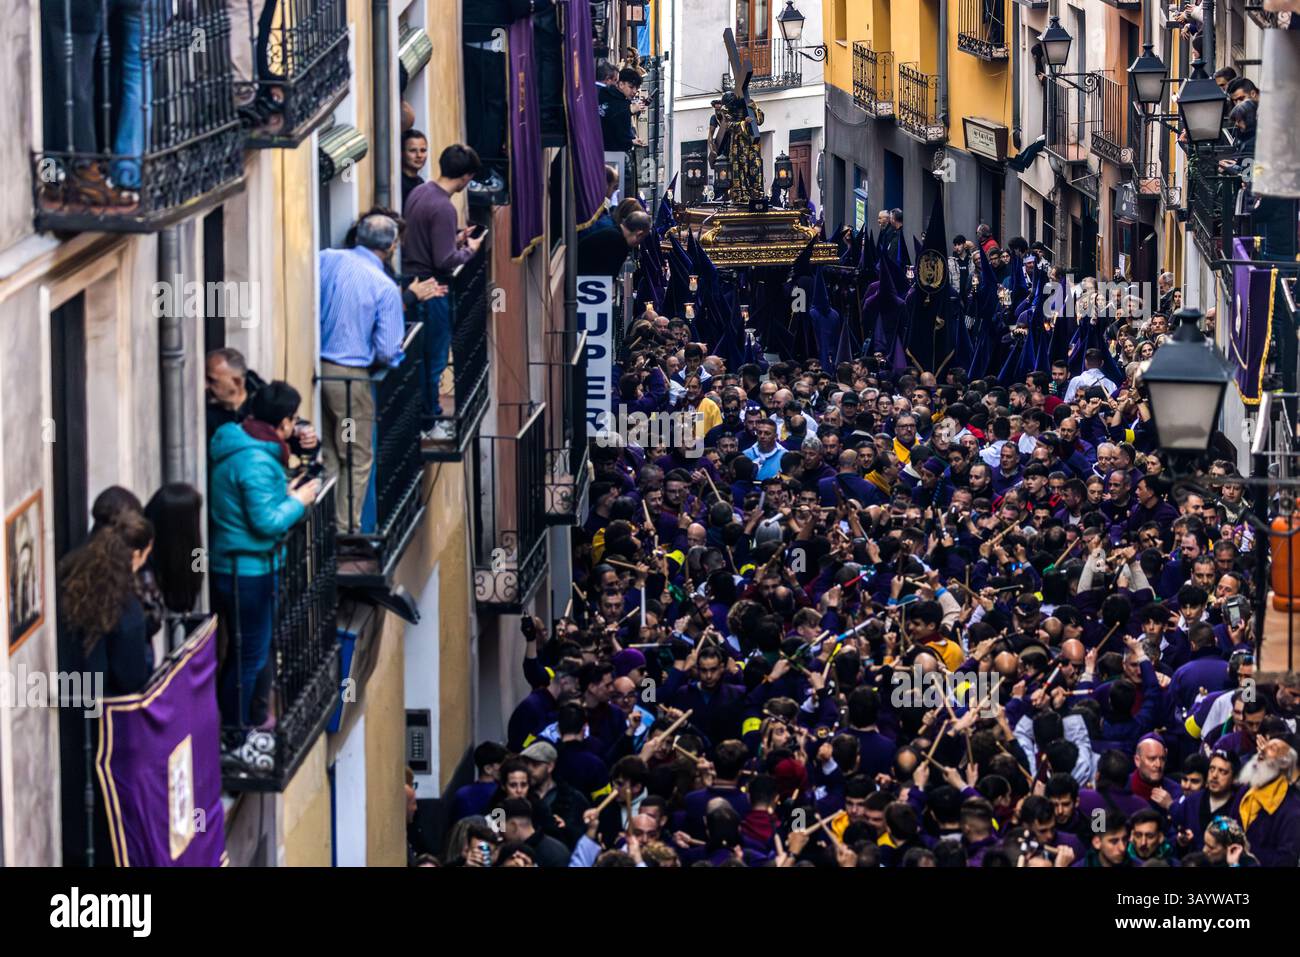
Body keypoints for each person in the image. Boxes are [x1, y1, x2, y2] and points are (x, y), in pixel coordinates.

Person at [209, 381, 320, 767]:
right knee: (250, 656)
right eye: (293, 421)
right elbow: (266, 521)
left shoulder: (242, 443)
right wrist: (298, 501)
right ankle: (233, 735)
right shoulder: (255, 459)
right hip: (249, 571)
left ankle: (241, 727)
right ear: (284, 423)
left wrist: (284, 491)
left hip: (242, 566)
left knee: (247, 653)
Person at [318, 213, 411, 531]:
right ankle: (345, 528)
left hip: (318, 371)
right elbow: (388, 349)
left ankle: (324, 526)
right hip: (350, 379)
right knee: (357, 456)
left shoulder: (326, 259)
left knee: (330, 452)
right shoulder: (384, 287)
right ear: (392, 246)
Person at [403, 145, 486, 442]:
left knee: (425, 357)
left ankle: (427, 415)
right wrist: (468, 249)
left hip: (415, 281)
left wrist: (453, 237)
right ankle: (430, 419)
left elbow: (426, 239)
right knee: (435, 359)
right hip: (433, 289)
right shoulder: (443, 207)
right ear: (465, 177)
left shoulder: (420, 192)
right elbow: (444, 260)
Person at [206, 348, 266, 439]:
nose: (205, 386)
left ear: (237, 382)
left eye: (211, 380)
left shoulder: (266, 405)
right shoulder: (202, 411)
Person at [400, 129, 429, 208]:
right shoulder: (398, 183)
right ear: (401, 153)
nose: (419, 155)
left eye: (423, 150)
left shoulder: (421, 183)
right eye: (412, 151)